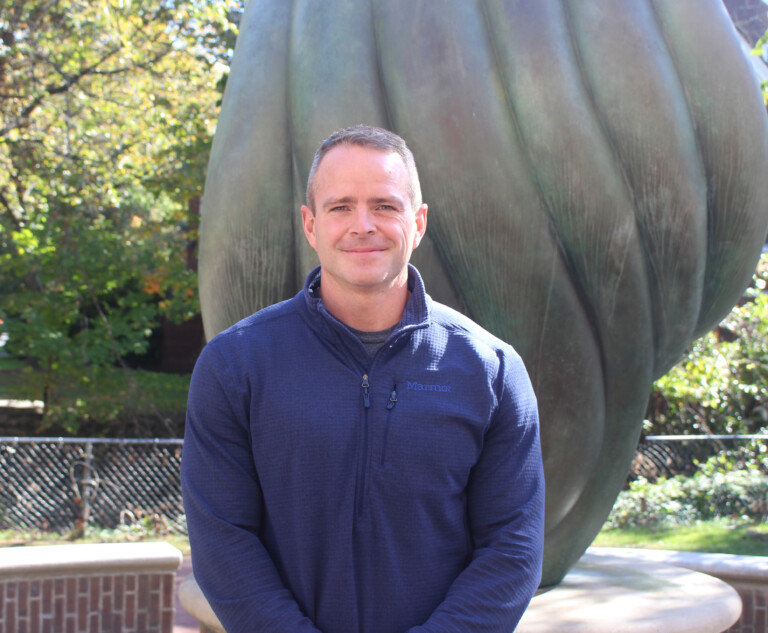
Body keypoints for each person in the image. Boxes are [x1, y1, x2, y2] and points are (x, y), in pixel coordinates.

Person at [181, 124, 545, 633]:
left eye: (385, 206)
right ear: (310, 225)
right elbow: (224, 541)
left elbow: (513, 546)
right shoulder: (234, 365)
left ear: (418, 223)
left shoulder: (491, 370)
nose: (362, 225)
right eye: (340, 207)